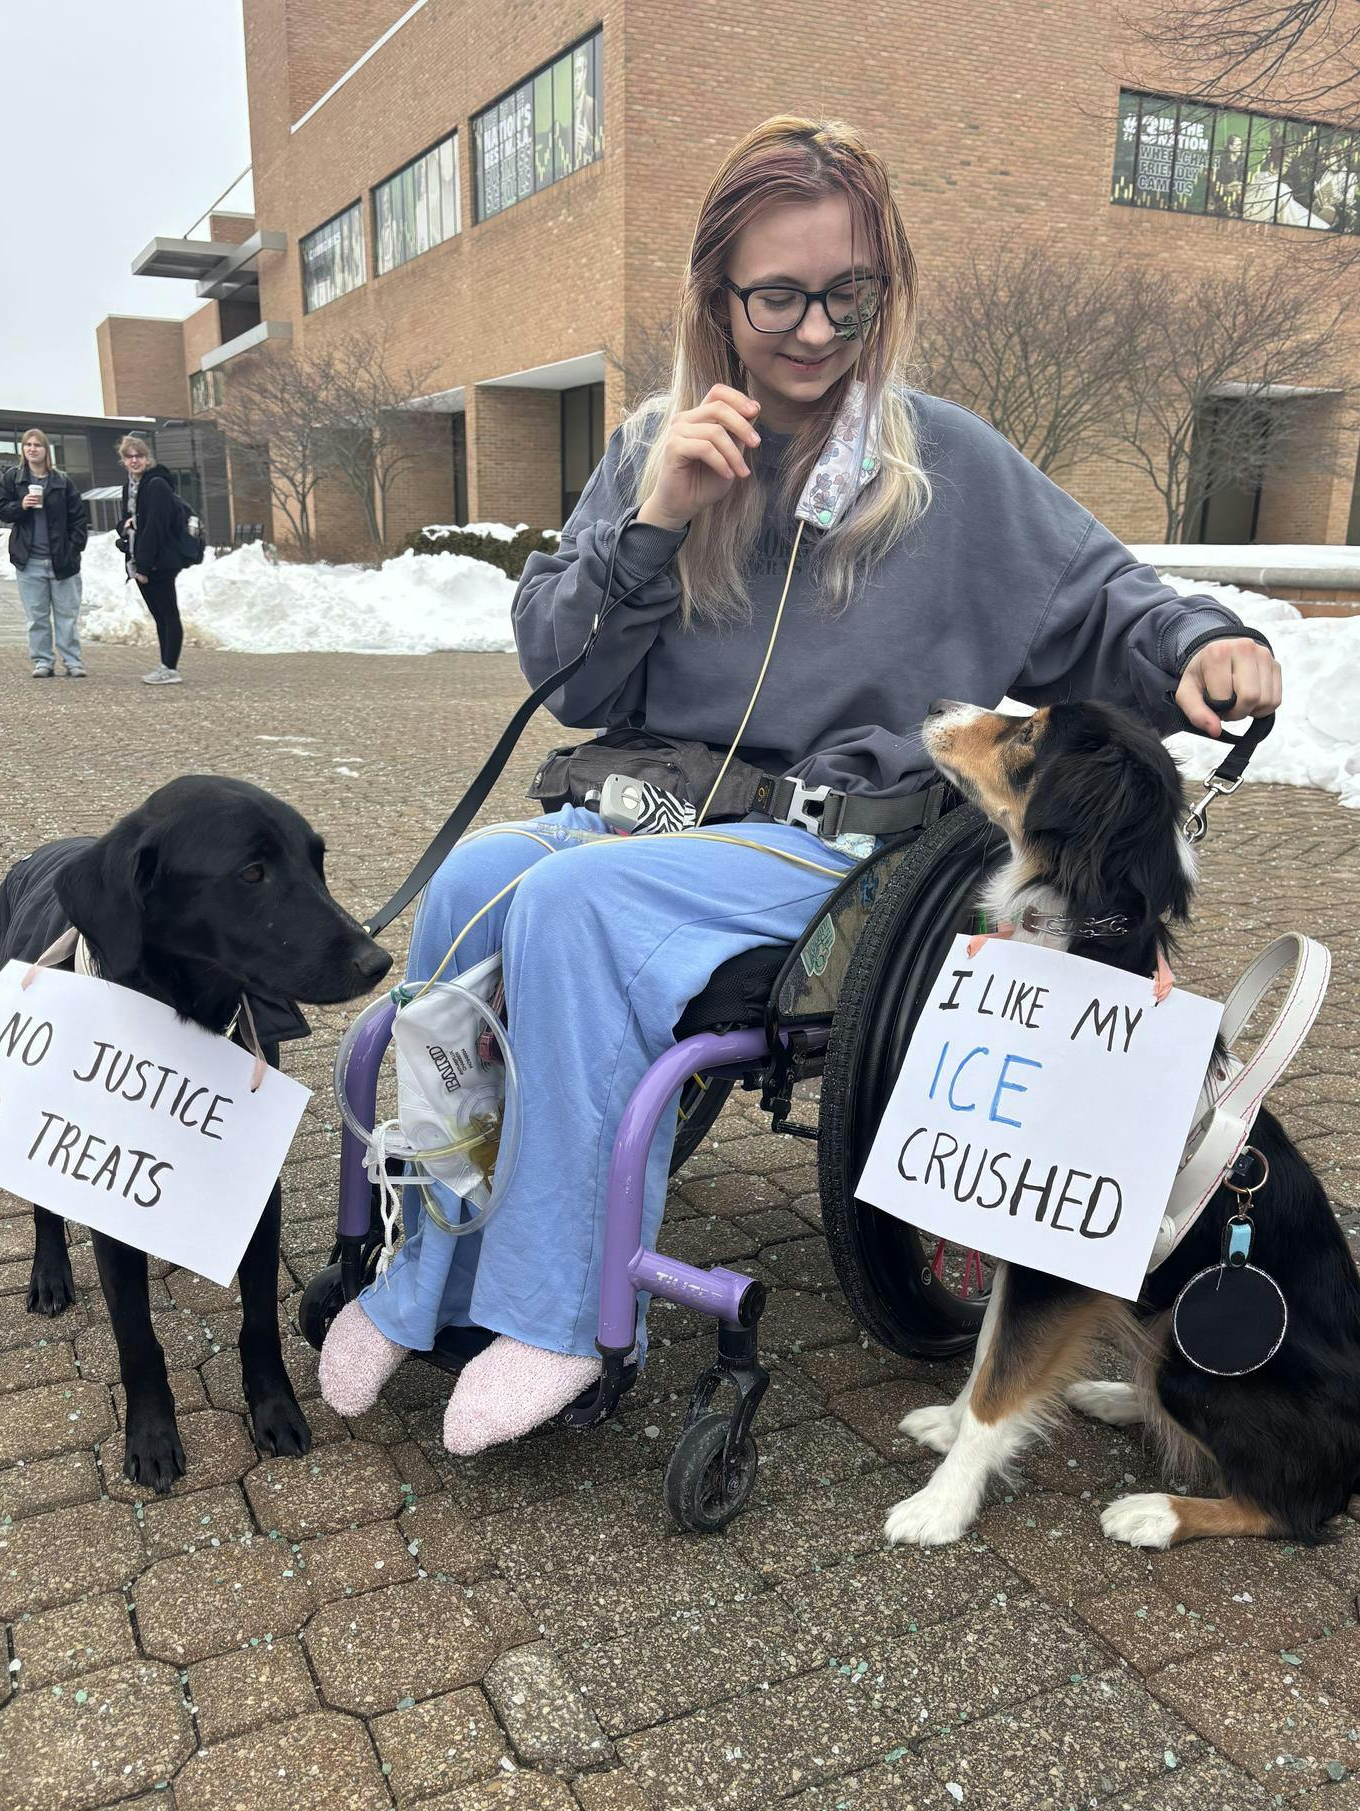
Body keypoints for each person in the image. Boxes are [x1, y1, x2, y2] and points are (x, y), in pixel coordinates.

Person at [318, 115, 1283, 1453]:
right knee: (481, 883)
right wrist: (654, 519)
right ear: (719, 298)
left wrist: (1205, 645)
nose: (818, 330)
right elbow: (568, 675)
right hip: (655, 807)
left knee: (570, 909)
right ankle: (430, 1269)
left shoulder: (943, 466)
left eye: (850, 294)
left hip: (837, 849)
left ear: (885, 289)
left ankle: (555, 1316)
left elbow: (1101, 591)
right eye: (780, 294)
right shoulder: (661, 445)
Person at [0, 430, 89, 679]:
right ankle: (43, 661)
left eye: (37, 445)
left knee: (67, 616)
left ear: (47, 450)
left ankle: (72, 661)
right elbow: (1, 509)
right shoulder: (13, 479)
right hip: (29, 561)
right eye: (28, 445)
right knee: (36, 617)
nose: (32, 449)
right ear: (23, 450)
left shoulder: (62, 481)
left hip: (62, 561)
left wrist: (73, 548)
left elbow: (79, 518)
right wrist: (21, 505)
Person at [115, 434, 189, 685]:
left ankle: (170, 668)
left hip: (160, 560)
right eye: (129, 456)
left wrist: (144, 566)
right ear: (123, 460)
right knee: (158, 615)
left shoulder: (156, 484)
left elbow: (155, 527)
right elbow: (127, 521)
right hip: (139, 558)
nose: (134, 460)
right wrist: (123, 526)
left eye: (139, 455)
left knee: (168, 614)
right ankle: (164, 665)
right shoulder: (130, 487)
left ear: (148, 458)